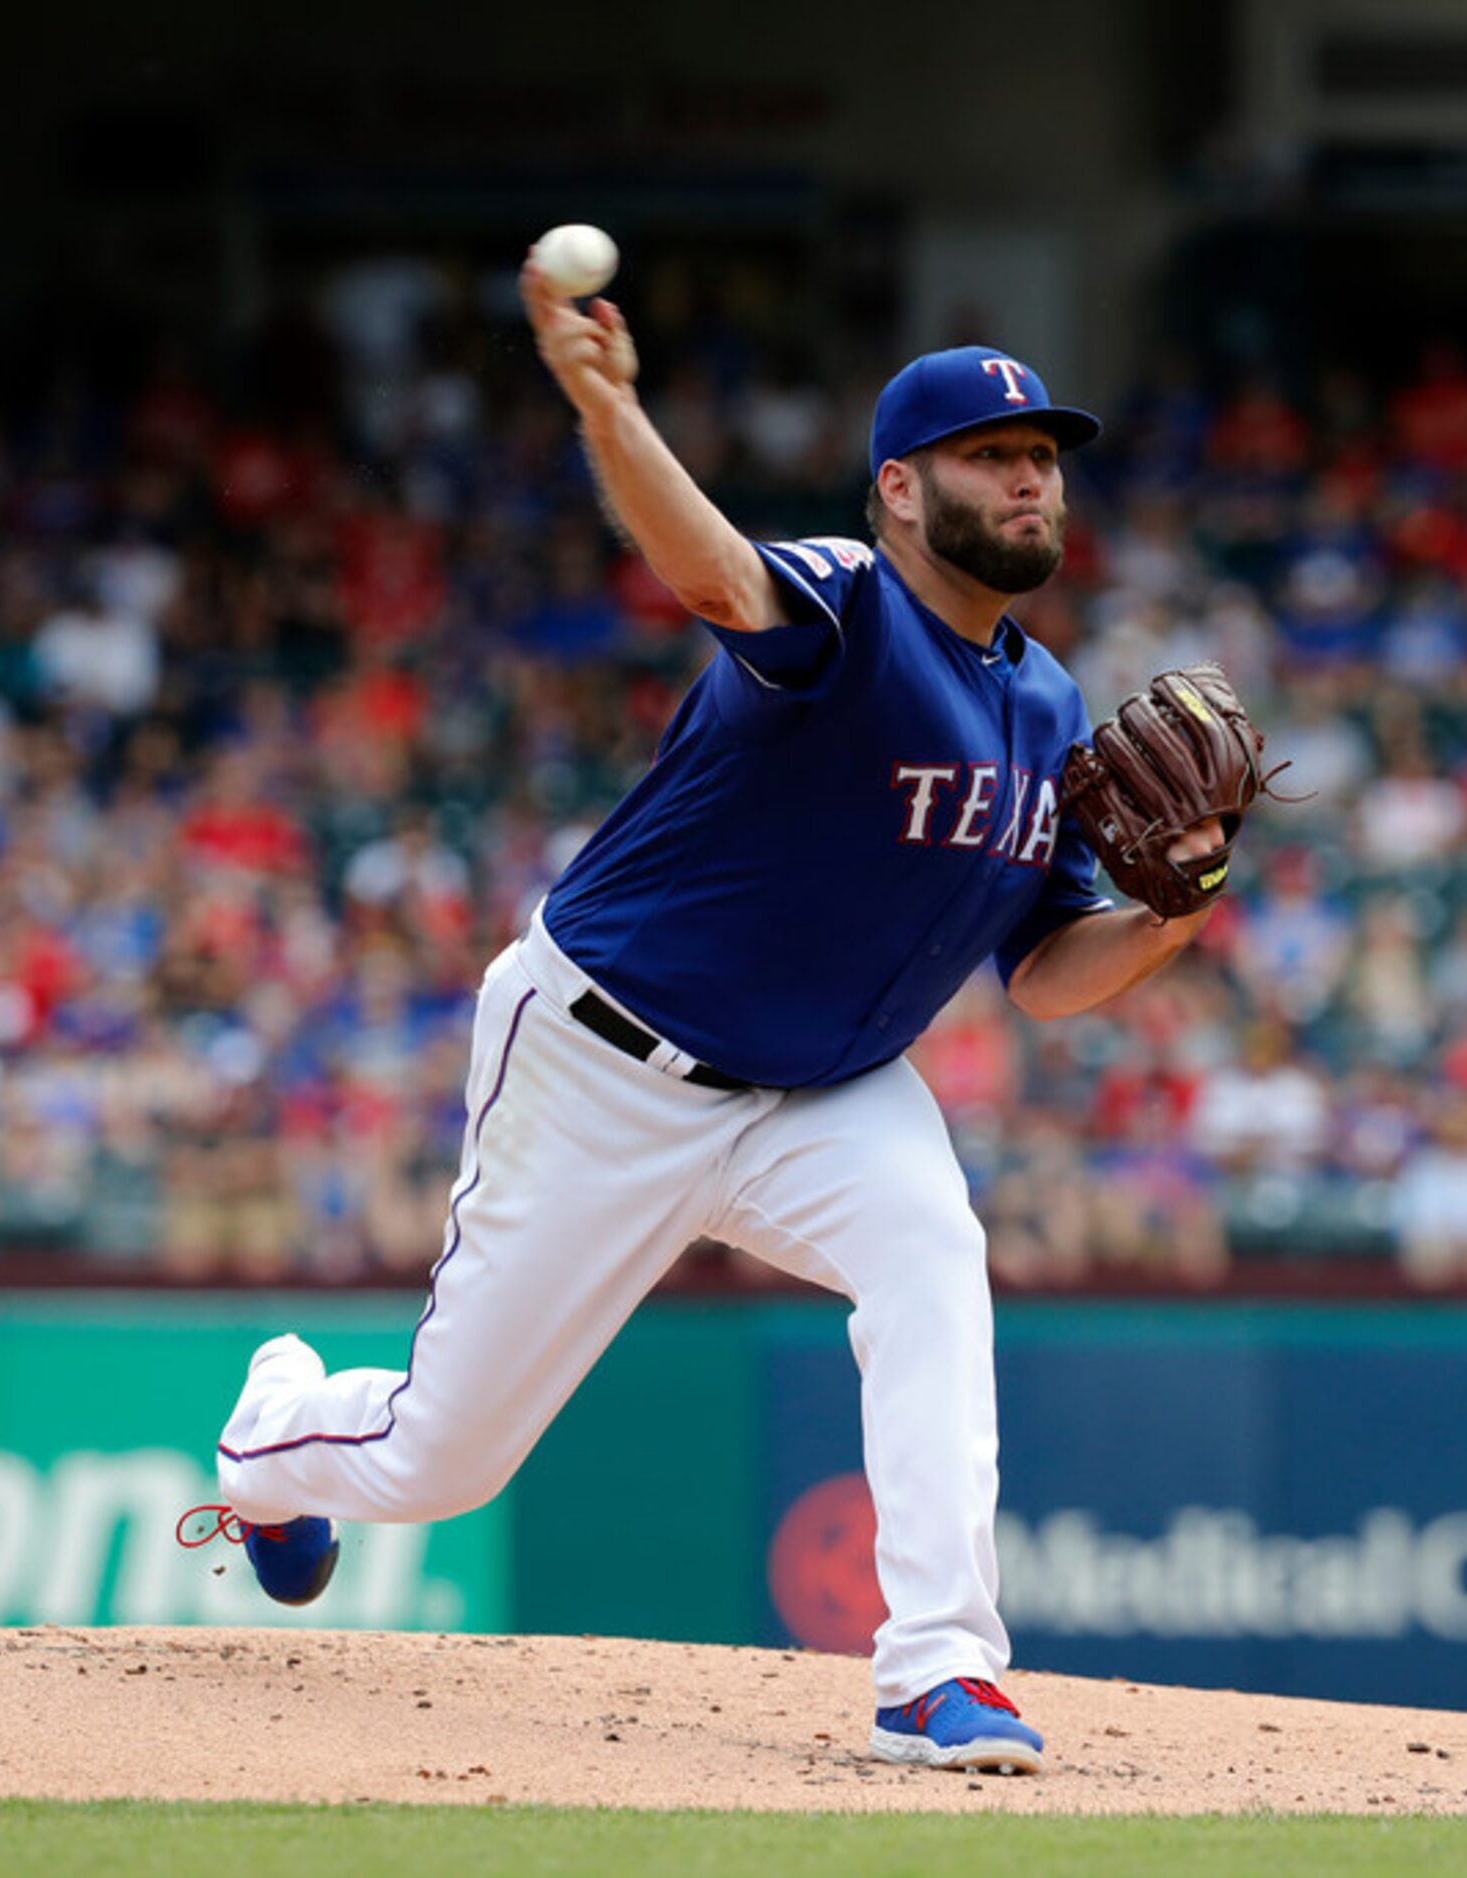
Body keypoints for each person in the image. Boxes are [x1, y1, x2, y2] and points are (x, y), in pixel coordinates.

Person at [192, 254, 1237, 1778]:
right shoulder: (847, 602)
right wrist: (610, 410)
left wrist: (1178, 913)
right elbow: (708, 576)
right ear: (899, 488)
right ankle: (272, 1432)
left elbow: (1052, 973)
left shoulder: (1051, 709)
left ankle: (940, 1673)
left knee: (934, 1253)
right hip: (612, 1053)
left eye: (1043, 460)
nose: (1031, 482)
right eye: (994, 458)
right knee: (442, 1461)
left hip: (827, 1089)